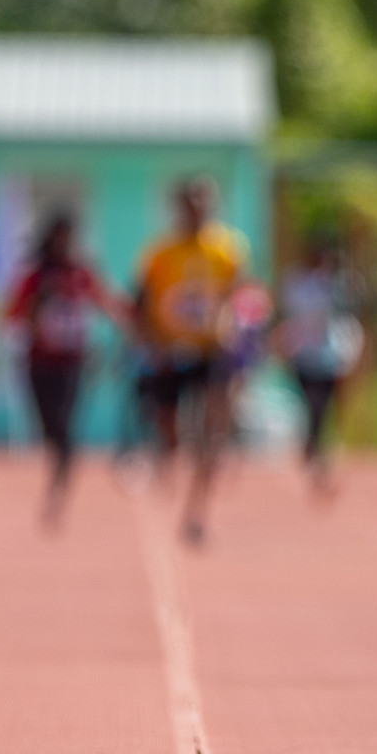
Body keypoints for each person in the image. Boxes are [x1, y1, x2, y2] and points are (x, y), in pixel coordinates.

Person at [133, 177, 248, 546]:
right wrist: (149, 342)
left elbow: (240, 296)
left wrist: (233, 326)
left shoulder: (228, 250)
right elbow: (143, 302)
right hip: (171, 352)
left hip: (213, 349)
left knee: (213, 427)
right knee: (171, 429)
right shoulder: (159, 254)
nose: (199, 208)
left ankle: (197, 511)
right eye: (192, 201)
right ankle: (170, 452)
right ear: (180, 206)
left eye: (205, 201)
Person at [4, 212, 119, 529]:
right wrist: (39, 302)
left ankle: (59, 487)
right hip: (39, 362)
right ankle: (59, 470)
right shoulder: (35, 276)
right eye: (58, 236)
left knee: (64, 425)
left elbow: (106, 302)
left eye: (68, 236)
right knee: (48, 429)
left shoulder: (82, 273)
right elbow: (14, 317)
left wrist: (132, 323)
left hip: (72, 362)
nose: (63, 243)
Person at [276, 240, 364, 495]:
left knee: (322, 408)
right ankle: (314, 447)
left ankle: (317, 450)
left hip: (329, 357)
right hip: (303, 355)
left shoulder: (338, 285)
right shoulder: (296, 283)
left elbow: (353, 309)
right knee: (310, 406)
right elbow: (290, 314)